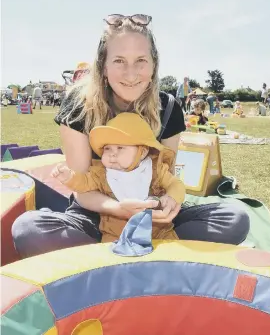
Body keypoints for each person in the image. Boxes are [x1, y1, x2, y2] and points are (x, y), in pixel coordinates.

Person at [12, 14, 250, 259]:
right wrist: (118, 209)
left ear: (154, 65)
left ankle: (112, 255)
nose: (130, 73)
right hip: (97, 216)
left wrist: (168, 202)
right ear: (103, 66)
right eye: (119, 61)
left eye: (140, 61)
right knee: (28, 230)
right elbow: (82, 190)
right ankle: (154, 254)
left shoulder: (168, 109)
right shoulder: (78, 105)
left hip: (154, 218)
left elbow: (164, 178)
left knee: (236, 218)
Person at [51, 112, 185, 242]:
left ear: (143, 152)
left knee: (172, 253)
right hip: (115, 234)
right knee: (111, 258)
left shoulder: (156, 169)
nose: (112, 154)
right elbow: (84, 183)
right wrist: (70, 177)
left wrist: (171, 197)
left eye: (120, 148)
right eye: (107, 148)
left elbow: (175, 184)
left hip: (159, 231)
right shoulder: (102, 173)